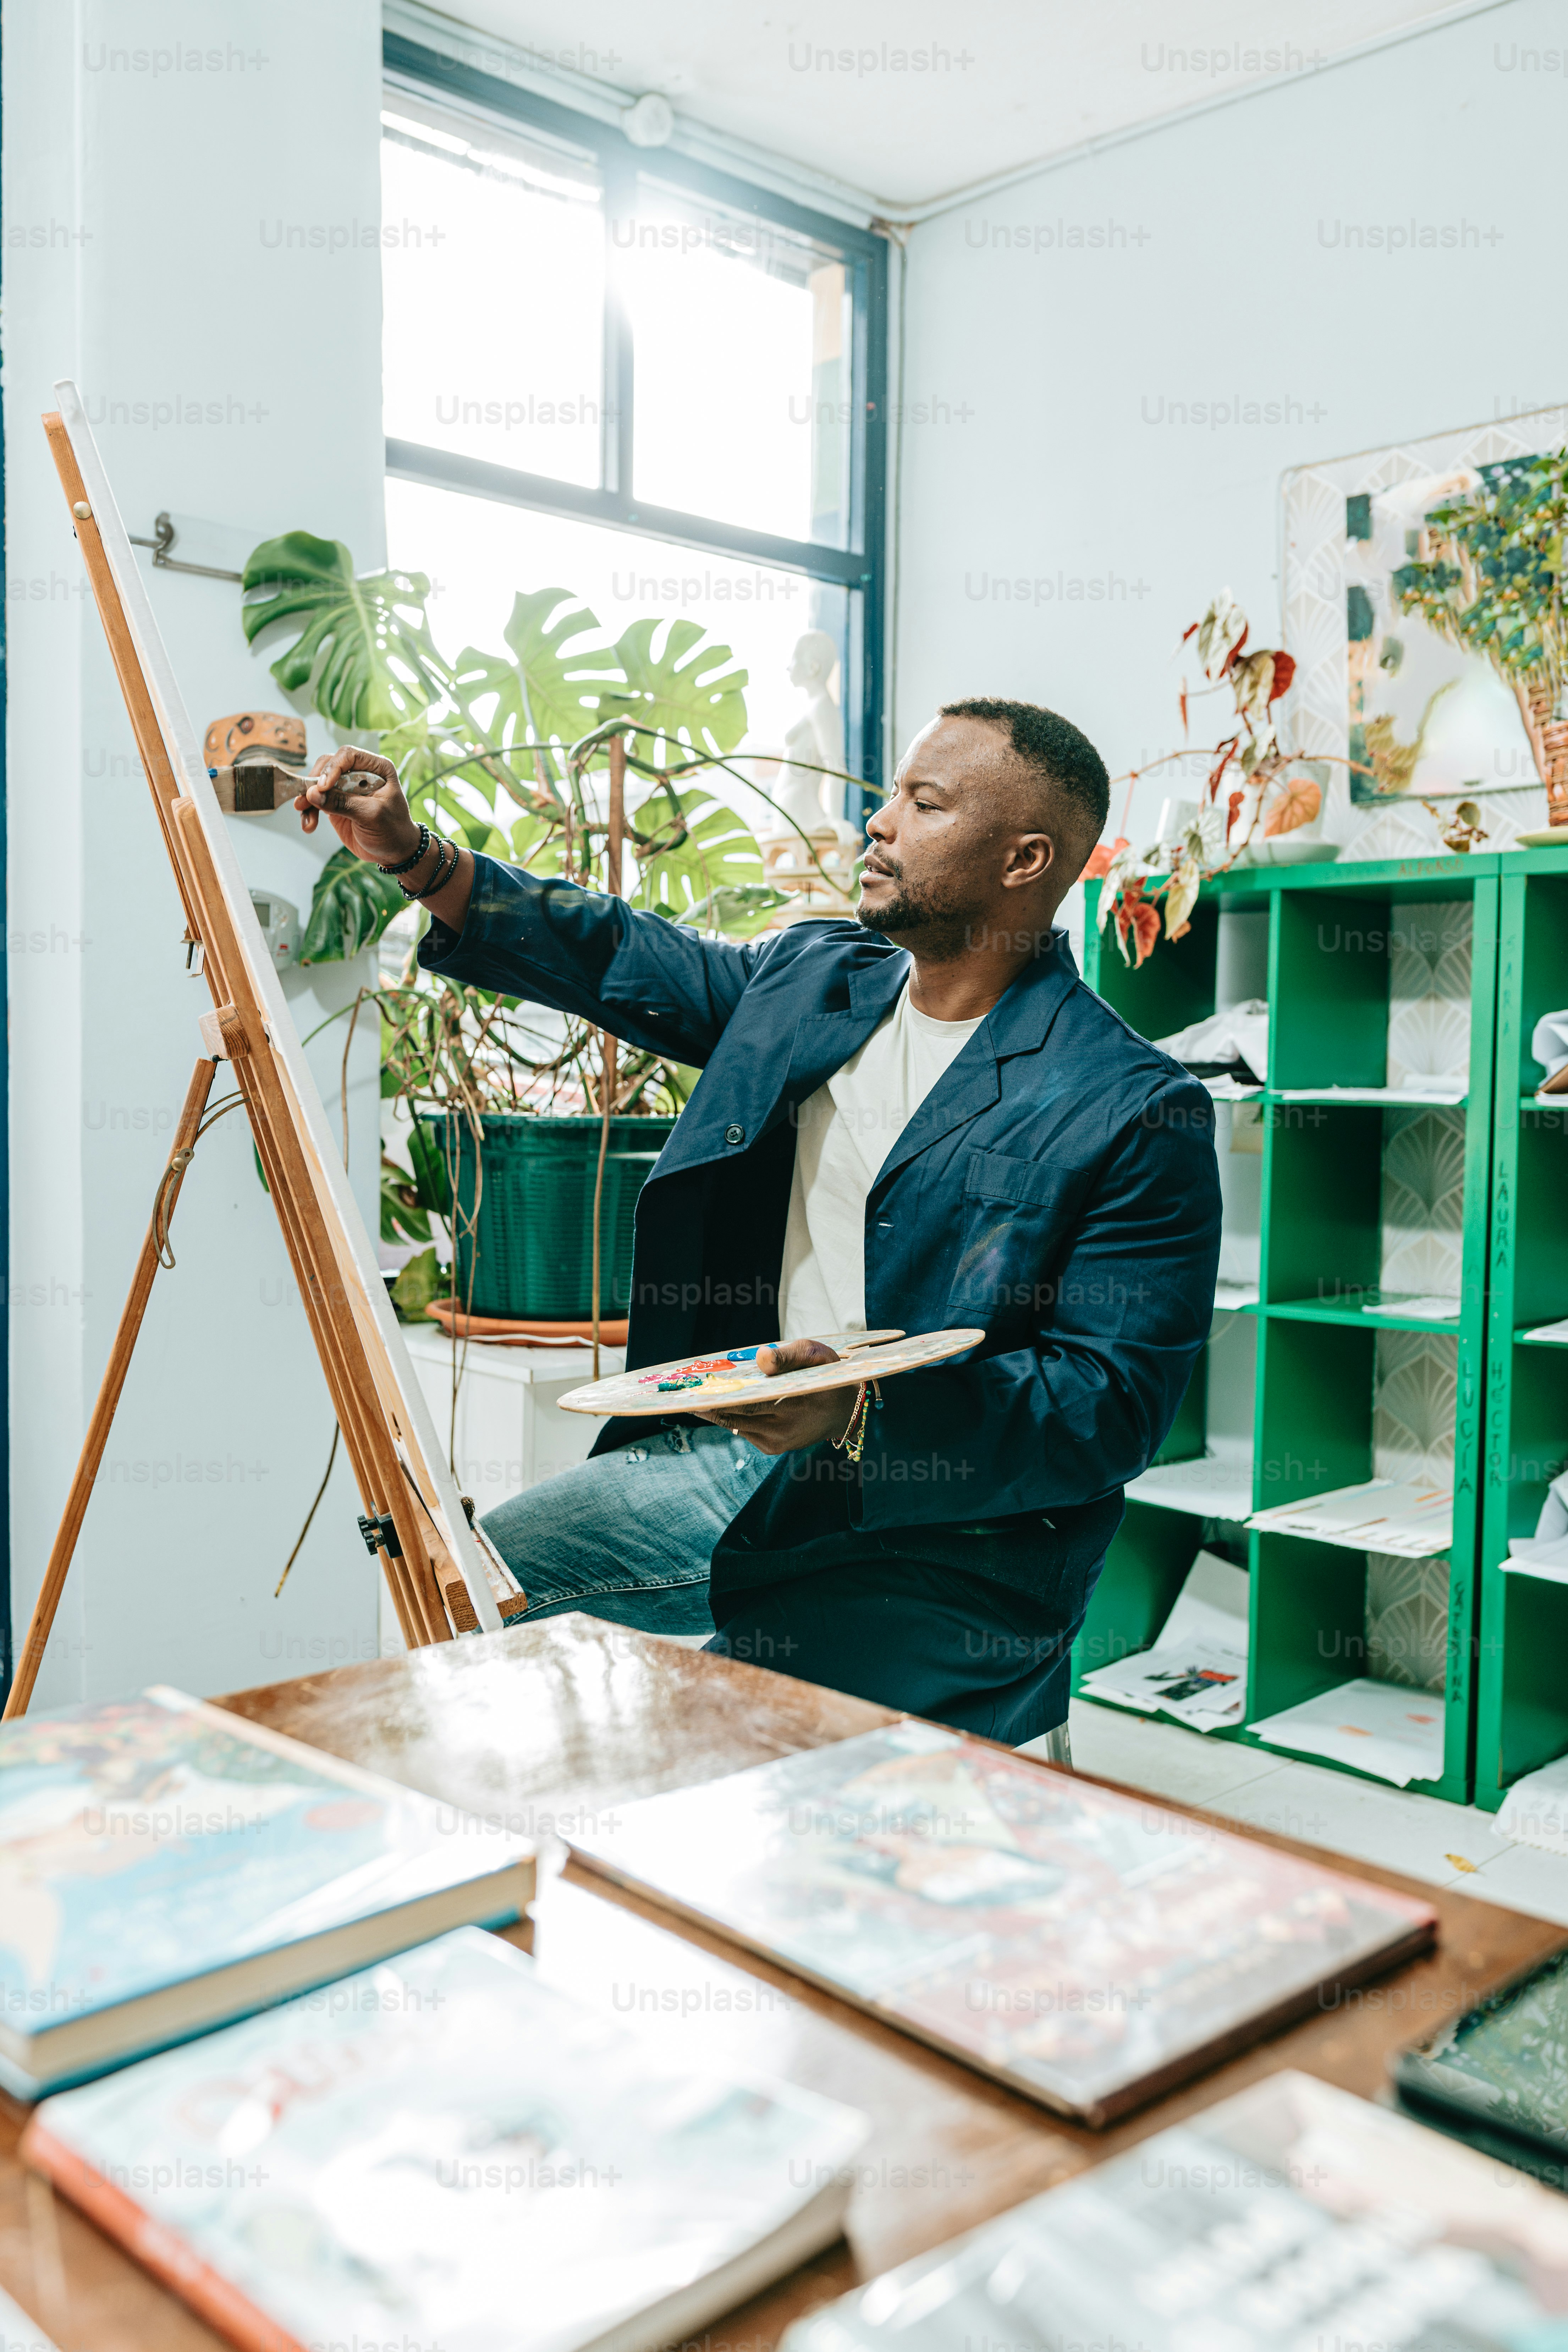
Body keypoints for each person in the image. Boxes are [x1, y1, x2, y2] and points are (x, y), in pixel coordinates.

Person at [297, 699, 1219, 1744]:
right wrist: (419, 859)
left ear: (1024, 859)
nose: (879, 826)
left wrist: (855, 1415)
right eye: (888, 799)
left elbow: (1108, 1405)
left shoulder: (1132, 1106)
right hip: (737, 1460)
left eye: (923, 804)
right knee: (475, 1588)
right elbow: (622, 958)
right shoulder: (812, 980)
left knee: (750, 1769)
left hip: (949, 1534)